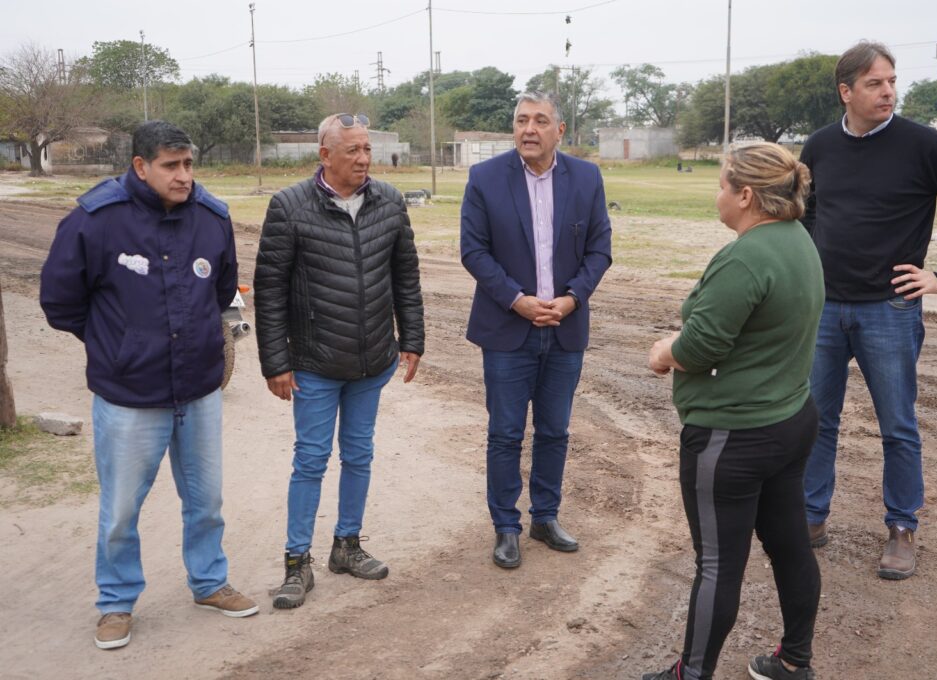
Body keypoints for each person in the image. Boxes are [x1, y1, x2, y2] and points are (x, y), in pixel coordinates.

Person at [40, 120, 259, 651]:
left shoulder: (212, 217)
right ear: (140, 166)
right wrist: (118, 343)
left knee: (206, 500)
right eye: (170, 165)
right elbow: (60, 300)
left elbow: (222, 291)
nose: (184, 176)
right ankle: (116, 603)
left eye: (189, 164)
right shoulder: (96, 220)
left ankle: (209, 582)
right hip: (129, 396)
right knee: (120, 510)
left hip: (199, 389)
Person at [800, 41, 937, 580]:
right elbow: (806, 210)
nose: (888, 91)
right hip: (824, 309)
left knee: (897, 424)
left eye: (891, 81)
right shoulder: (819, 146)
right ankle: (811, 517)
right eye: (875, 83)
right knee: (816, 420)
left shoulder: (923, 145)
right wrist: (810, 265)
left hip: (889, 310)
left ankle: (901, 528)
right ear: (846, 92)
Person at [644, 143, 825, 680]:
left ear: (746, 196)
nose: (717, 192)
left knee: (718, 565)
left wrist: (663, 352)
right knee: (790, 546)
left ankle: (691, 675)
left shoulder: (745, 257)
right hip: (790, 420)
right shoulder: (798, 239)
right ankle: (794, 661)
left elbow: (701, 346)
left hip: (734, 437)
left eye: (721, 184)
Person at [254, 112, 424, 609]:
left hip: (373, 359)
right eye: (353, 150)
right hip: (315, 362)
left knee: (359, 454)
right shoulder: (289, 206)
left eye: (367, 148)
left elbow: (406, 276)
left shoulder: (389, 201)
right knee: (310, 460)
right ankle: (296, 563)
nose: (364, 158)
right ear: (325, 155)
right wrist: (275, 362)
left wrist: (412, 337)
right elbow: (269, 290)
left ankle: (347, 546)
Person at [460, 91, 612, 569]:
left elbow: (600, 248)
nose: (529, 129)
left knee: (554, 431)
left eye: (540, 120)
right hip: (508, 330)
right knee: (505, 433)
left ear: (559, 130)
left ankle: (545, 517)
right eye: (522, 120)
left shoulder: (586, 178)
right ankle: (506, 527)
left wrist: (571, 298)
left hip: (565, 328)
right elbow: (473, 251)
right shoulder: (485, 178)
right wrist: (517, 300)